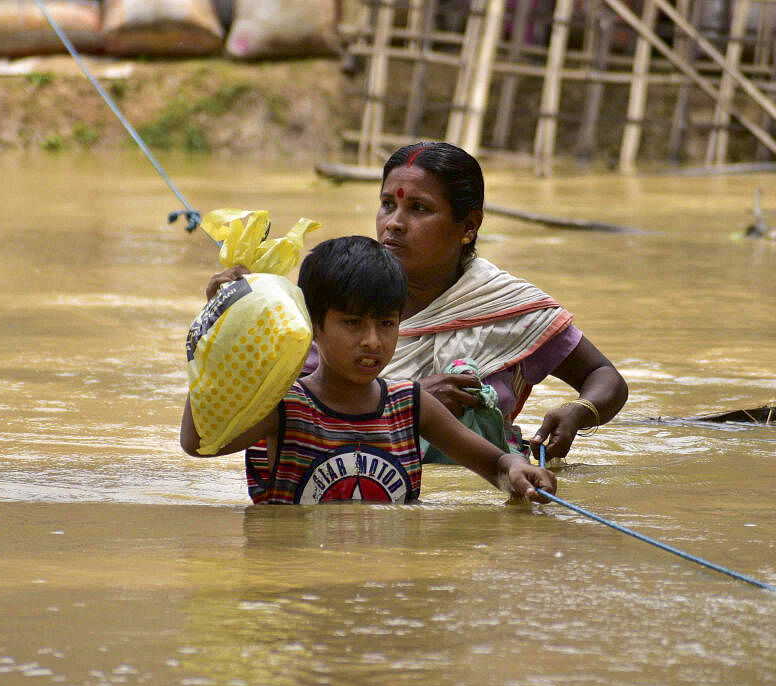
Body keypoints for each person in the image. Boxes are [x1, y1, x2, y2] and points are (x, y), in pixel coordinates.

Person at [207, 141, 627, 462]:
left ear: (469, 226)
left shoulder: (511, 307)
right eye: (387, 205)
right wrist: (235, 314)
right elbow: (270, 409)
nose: (394, 223)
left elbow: (605, 376)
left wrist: (579, 411)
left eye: (419, 209)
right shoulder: (327, 301)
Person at [181, 236, 558, 505]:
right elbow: (197, 444)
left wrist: (516, 470)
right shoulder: (285, 407)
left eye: (386, 324)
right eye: (353, 323)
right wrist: (217, 335)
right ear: (314, 325)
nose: (373, 341)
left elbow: (494, 463)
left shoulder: (411, 405)